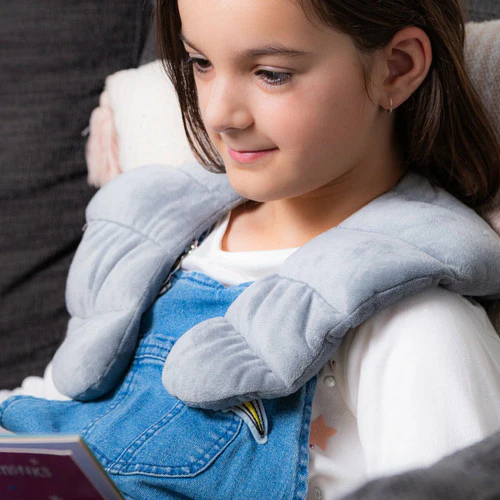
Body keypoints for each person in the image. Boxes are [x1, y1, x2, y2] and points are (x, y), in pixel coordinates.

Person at [2, 0, 500, 499]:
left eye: (271, 74)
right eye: (201, 63)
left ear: (397, 68)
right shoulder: (158, 244)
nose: (219, 114)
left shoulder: (417, 326)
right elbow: (53, 414)